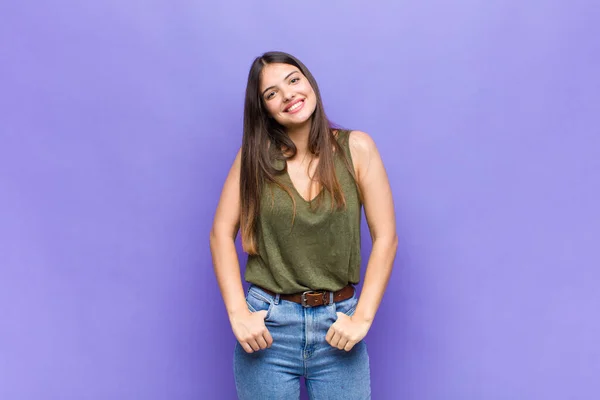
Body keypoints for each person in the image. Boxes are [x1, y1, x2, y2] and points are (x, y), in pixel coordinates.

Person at [210, 51, 398, 400]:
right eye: (272, 93)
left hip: (336, 326)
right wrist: (238, 313)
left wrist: (362, 317)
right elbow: (221, 233)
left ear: (309, 82)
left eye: (293, 80)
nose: (288, 94)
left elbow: (386, 237)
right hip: (269, 327)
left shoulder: (356, 148)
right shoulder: (253, 159)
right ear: (264, 109)